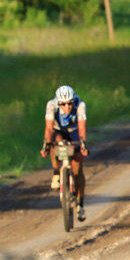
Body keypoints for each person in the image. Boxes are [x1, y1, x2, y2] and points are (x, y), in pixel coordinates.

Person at [41, 84, 89, 222]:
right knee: (54, 143)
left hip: (73, 131)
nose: (67, 107)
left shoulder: (80, 105)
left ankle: (80, 204)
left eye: (69, 104)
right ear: (58, 102)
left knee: (77, 168)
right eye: (63, 104)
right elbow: (49, 128)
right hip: (59, 131)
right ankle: (56, 173)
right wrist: (46, 146)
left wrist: (83, 145)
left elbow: (82, 128)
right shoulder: (51, 105)